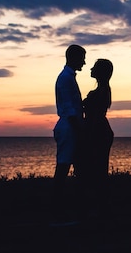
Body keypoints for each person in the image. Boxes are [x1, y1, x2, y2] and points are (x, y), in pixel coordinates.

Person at [52, 44, 86, 223]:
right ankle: (57, 211)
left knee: (68, 167)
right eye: (82, 58)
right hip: (69, 127)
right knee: (63, 167)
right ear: (73, 57)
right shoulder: (66, 78)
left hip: (70, 126)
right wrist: (81, 130)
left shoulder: (68, 77)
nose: (84, 62)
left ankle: (66, 208)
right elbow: (69, 109)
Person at [80, 58, 114, 216]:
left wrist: (88, 135)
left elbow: (95, 116)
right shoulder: (102, 90)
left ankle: (99, 206)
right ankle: (99, 204)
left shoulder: (102, 91)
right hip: (98, 130)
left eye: (94, 67)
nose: (90, 69)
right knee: (97, 169)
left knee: (98, 169)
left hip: (98, 132)